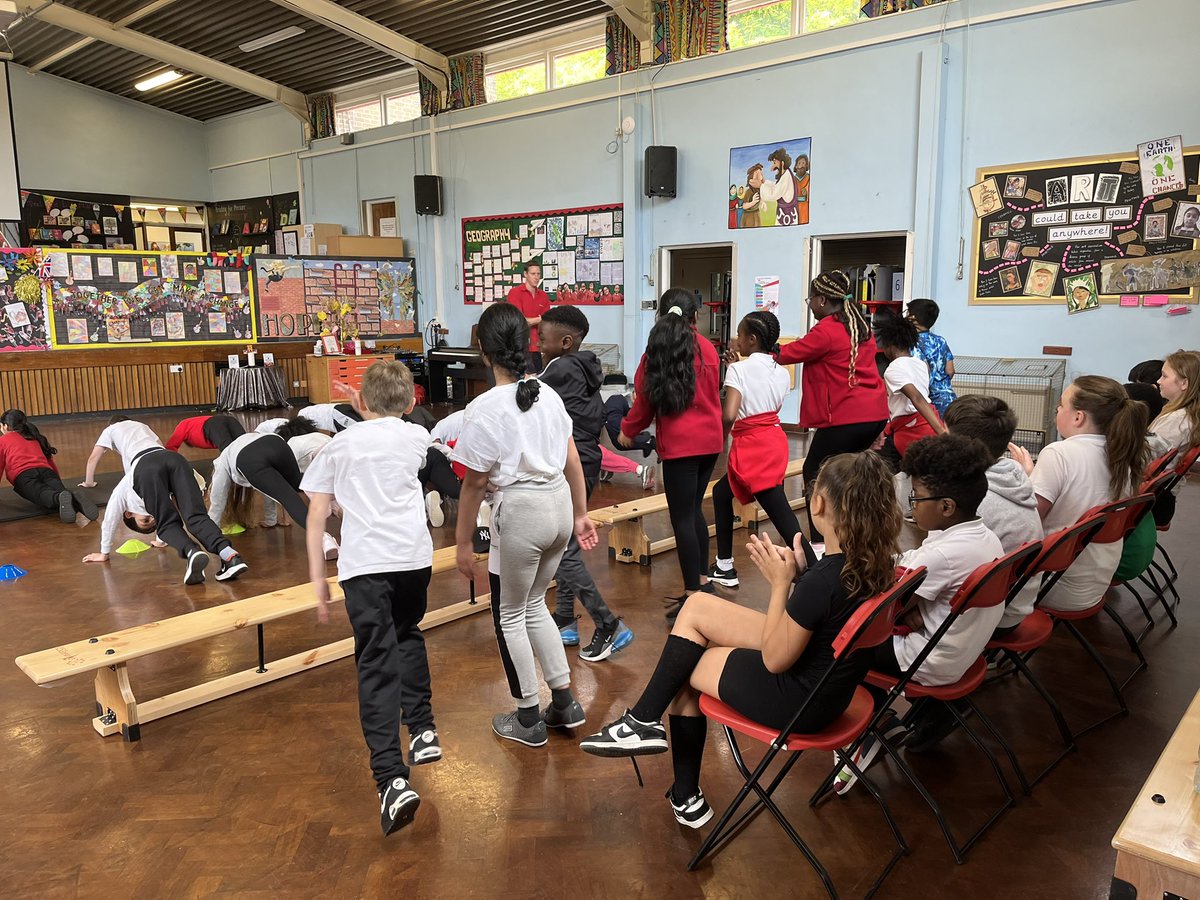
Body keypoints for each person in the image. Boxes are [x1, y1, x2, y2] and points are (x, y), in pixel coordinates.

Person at [580, 452, 902, 828]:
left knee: (684, 666)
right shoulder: (877, 563)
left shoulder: (822, 582)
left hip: (800, 701)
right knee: (698, 607)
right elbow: (827, 609)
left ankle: (682, 786)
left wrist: (782, 583)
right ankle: (642, 723)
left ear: (818, 503)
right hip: (831, 686)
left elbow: (774, 660)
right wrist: (801, 576)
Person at [301, 360, 440, 837]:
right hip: (413, 562)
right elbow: (446, 471)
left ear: (359, 402)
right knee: (408, 635)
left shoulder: (340, 444)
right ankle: (422, 730)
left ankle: (390, 780)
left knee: (376, 662)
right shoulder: (417, 437)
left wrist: (319, 578)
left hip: (365, 568)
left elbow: (317, 514)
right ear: (410, 401)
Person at [451, 302, 598, 748]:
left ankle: (528, 716)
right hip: (556, 506)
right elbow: (571, 459)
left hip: (521, 512)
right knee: (535, 606)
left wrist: (462, 545)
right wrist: (580, 512)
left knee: (510, 614)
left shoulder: (485, 407)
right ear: (526, 342)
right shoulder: (547, 393)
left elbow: (474, 484)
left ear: (482, 347)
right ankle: (565, 701)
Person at [836, 434, 1004, 789]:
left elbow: (876, 602)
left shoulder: (940, 556)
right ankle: (903, 717)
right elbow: (907, 590)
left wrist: (904, 613)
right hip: (962, 652)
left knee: (838, 640)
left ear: (945, 506)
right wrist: (910, 612)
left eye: (915, 498)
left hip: (927, 661)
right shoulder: (985, 537)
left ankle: (871, 728)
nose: (911, 505)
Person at [538, 305, 635, 661]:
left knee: (563, 551)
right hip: (583, 462)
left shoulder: (560, 368)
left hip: (571, 465)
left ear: (565, 342)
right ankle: (565, 619)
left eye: (542, 339)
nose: (538, 344)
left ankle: (608, 624)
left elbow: (523, 395)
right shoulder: (579, 365)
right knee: (565, 545)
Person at [620, 288, 724, 616]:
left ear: (660, 315)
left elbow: (644, 399)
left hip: (681, 447)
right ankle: (703, 580)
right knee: (693, 511)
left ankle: (692, 592)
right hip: (710, 443)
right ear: (695, 316)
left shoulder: (657, 351)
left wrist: (627, 431)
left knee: (681, 517)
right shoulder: (708, 348)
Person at [1008, 376, 1149, 613]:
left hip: (1052, 584)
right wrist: (1035, 474)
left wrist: (1024, 478)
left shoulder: (1058, 453)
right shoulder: (1123, 454)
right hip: (1095, 582)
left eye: (1061, 405)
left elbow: (1028, 522)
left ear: (1078, 417)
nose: (1057, 410)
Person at [776, 271, 888, 542]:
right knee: (849, 473)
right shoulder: (859, 327)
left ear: (823, 300)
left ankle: (820, 541)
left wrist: (756, 348)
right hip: (873, 414)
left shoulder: (826, 330)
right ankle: (856, 533)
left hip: (847, 417)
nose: (810, 304)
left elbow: (789, 354)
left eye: (811, 299)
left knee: (815, 473)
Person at [707, 310, 804, 589]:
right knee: (721, 493)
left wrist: (720, 439)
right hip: (773, 441)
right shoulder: (779, 371)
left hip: (753, 448)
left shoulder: (739, 370)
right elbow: (761, 395)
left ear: (751, 339)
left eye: (739, 335)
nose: (735, 339)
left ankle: (813, 570)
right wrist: (738, 368)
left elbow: (730, 414)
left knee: (782, 516)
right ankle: (724, 565)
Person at [942, 397, 1043, 636]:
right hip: (1016, 604)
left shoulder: (976, 499)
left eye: (944, 435)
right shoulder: (1013, 475)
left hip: (991, 617)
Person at [83, 446, 248, 584]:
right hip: (175, 459)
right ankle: (230, 556)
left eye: (145, 521)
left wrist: (104, 552)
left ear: (128, 514)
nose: (151, 519)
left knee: (166, 525)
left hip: (147, 467)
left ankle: (191, 552)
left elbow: (110, 520)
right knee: (197, 517)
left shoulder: (121, 492)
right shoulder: (149, 504)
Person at [206, 426, 340, 560]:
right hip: (275, 442)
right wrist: (271, 520)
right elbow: (269, 492)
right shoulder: (238, 443)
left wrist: (210, 535)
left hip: (248, 459)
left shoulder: (221, 462)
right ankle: (336, 497)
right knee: (298, 482)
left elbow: (217, 502)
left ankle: (324, 539)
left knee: (288, 498)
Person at [872, 311, 946, 470]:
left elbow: (917, 398)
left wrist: (943, 433)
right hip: (926, 422)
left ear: (889, 345)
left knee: (880, 468)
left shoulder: (893, 370)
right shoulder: (920, 364)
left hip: (910, 429)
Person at [0, 409, 97, 524]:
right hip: (47, 471)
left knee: (41, 494)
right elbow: (50, 461)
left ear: (6, 426)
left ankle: (59, 498)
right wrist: (57, 480)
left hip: (23, 475)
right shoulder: (34, 436)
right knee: (62, 495)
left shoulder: (3, 440)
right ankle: (73, 498)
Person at [260, 416, 331, 528]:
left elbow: (281, 480)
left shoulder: (292, 443)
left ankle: (283, 519)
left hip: (321, 464)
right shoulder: (321, 435)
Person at [80, 415, 164, 487]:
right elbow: (161, 445)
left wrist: (89, 483)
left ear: (111, 424)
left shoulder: (110, 429)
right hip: (163, 457)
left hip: (139, 461)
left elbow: (93, 458)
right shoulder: (141, 425)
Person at [906, 299, 957, 415]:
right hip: (948, 399)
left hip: (926, 403)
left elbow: (923, 371)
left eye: (907, 312)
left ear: (913, 317)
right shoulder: (941, 341)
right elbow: (950, 371)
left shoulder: (911, 343)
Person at [1149, 350, 1200, 456]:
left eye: (1164, 376)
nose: (1158, 381)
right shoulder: (1185, 417)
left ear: (1184, 383)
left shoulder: (1175, 421)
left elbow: (1146, 459)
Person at [506, 259, 551, 375]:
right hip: (521, 347)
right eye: (533, 274)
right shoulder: (515, 293)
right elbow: (519, 322)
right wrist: (540, 318)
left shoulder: (543, 296)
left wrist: (533, 320)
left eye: (538, 274)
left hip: (539, 347)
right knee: (525, 382)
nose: (536, 277)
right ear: (525, 274)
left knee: (539, 380)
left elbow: (548, 322)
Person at [759, 147, 800, 226]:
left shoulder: (786, 177)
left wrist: (760, 185)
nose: (772, 167)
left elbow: (773, 194)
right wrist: (764, 182)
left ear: (782, 163)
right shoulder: (785, 175)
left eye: (774, 163)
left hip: (787, 217)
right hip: (783, 214)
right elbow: (776, 185)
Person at [164, 414, 245, 453]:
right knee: (245, 445)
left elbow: (170, 446)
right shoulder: (192, 424)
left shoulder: (183, 424)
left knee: (229, 452)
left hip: (212, 424)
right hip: (228, 419)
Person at [792, 154, 811, 225]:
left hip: (805, 206)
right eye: (799, 163)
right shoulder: (792, 179)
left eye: (803, 163)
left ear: (806, 166)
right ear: (796, 166)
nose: (801, 165)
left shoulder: (808, 177)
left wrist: (806, 190)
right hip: (794, 206)